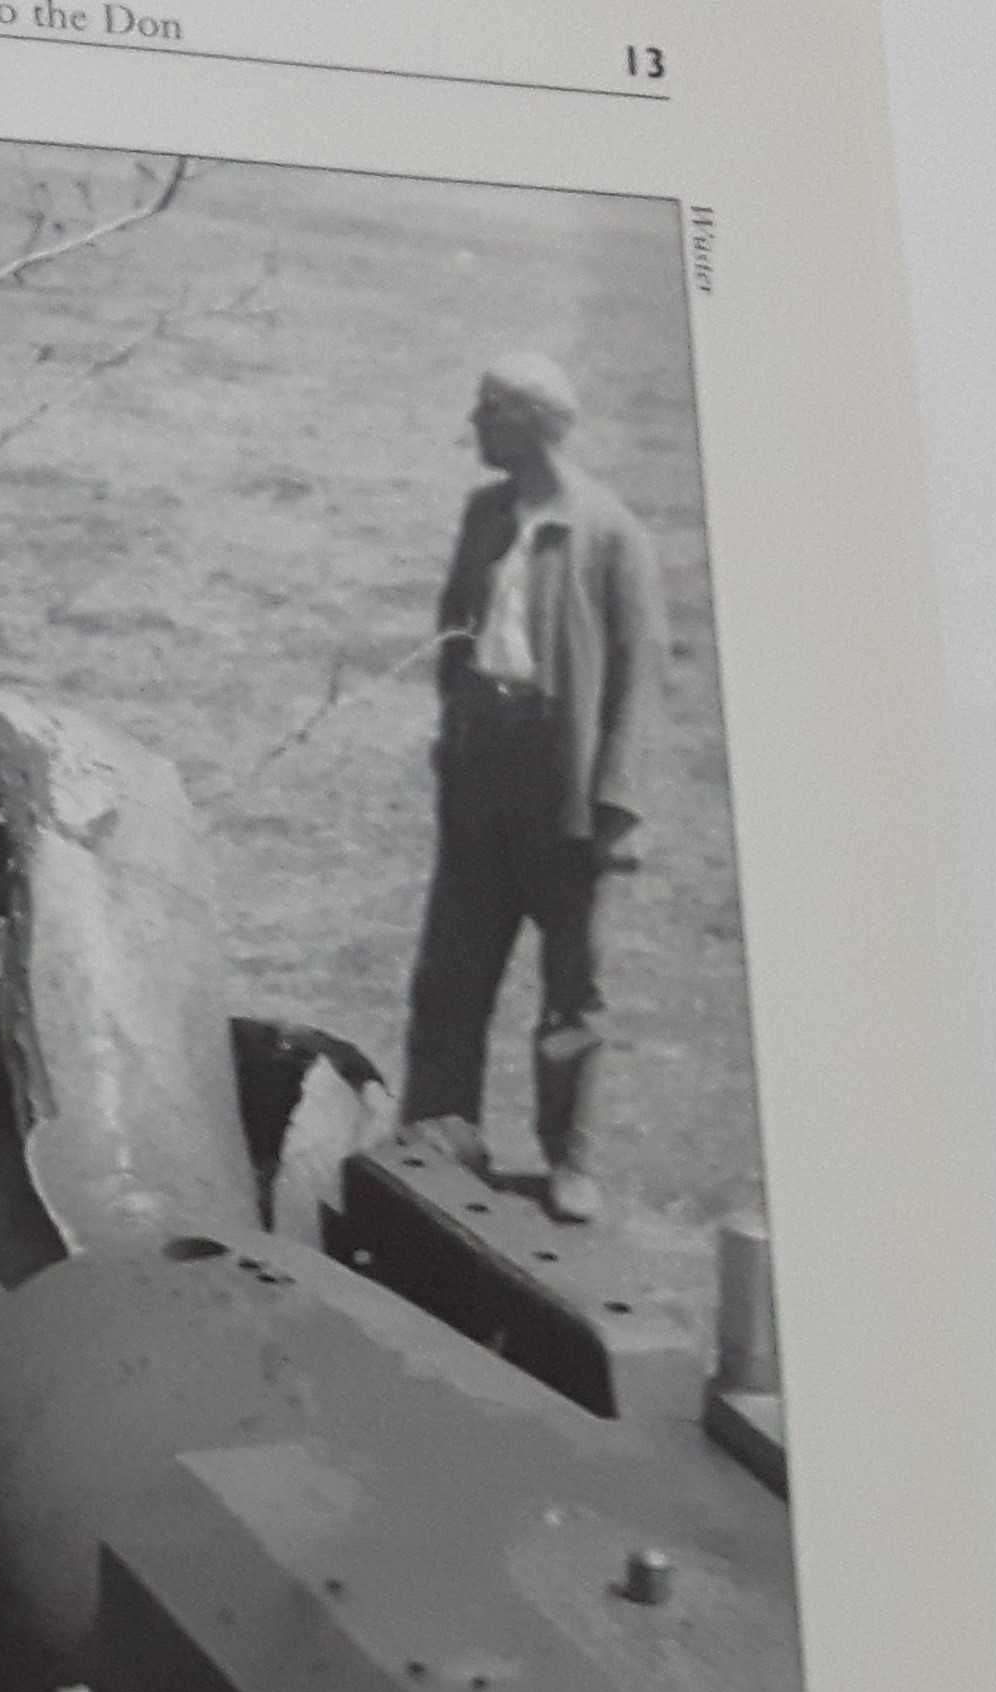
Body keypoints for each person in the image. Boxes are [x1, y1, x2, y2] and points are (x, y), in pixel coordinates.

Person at [401, 351, 668, 1225]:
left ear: (531, 421)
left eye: (487, 411)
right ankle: (435, 1141)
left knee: (572, 985)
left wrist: (615, 805)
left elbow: (639, 677)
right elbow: (454, 626)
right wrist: (456, 731)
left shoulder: (610, 532)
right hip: (482, 776)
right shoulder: (483, 514)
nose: (473, 426)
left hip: (566, 794)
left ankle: (570, 1162)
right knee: (452, 974)